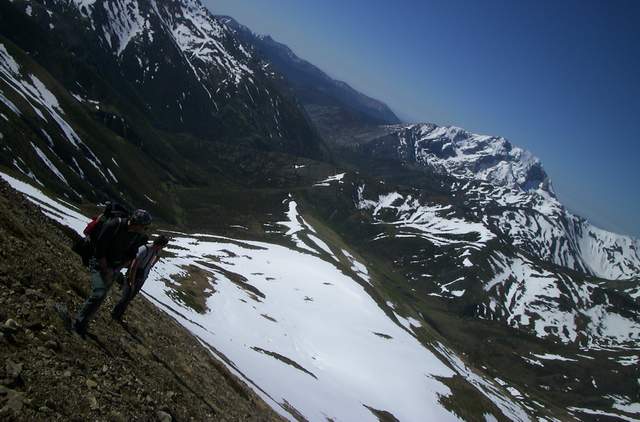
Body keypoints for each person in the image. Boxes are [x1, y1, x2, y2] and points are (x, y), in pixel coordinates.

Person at [71, 209, 152, 337]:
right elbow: (99, 248)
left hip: (113, 267)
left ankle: (83, 322)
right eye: (144, 226)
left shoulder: (137, 236)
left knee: (100, 296)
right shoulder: (115, 224)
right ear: (137, 223)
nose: (144, 229)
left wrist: (115, 269)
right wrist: (106, 269)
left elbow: (131, 255)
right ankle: (77, 324)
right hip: (98, 262)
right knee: (99, 293)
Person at [111, 234, 169, 322]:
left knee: (130, 297)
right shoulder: (144, 249)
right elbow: (134, 266)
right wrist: (131, 281)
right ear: (159, 244)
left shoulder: (156, 251)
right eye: (163, 246)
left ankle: (119, 315)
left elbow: (157, 257)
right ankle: (115, 314)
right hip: (133, 276)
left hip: (141, 277)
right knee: (126, 297)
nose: (162, 248)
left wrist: (151, 265)